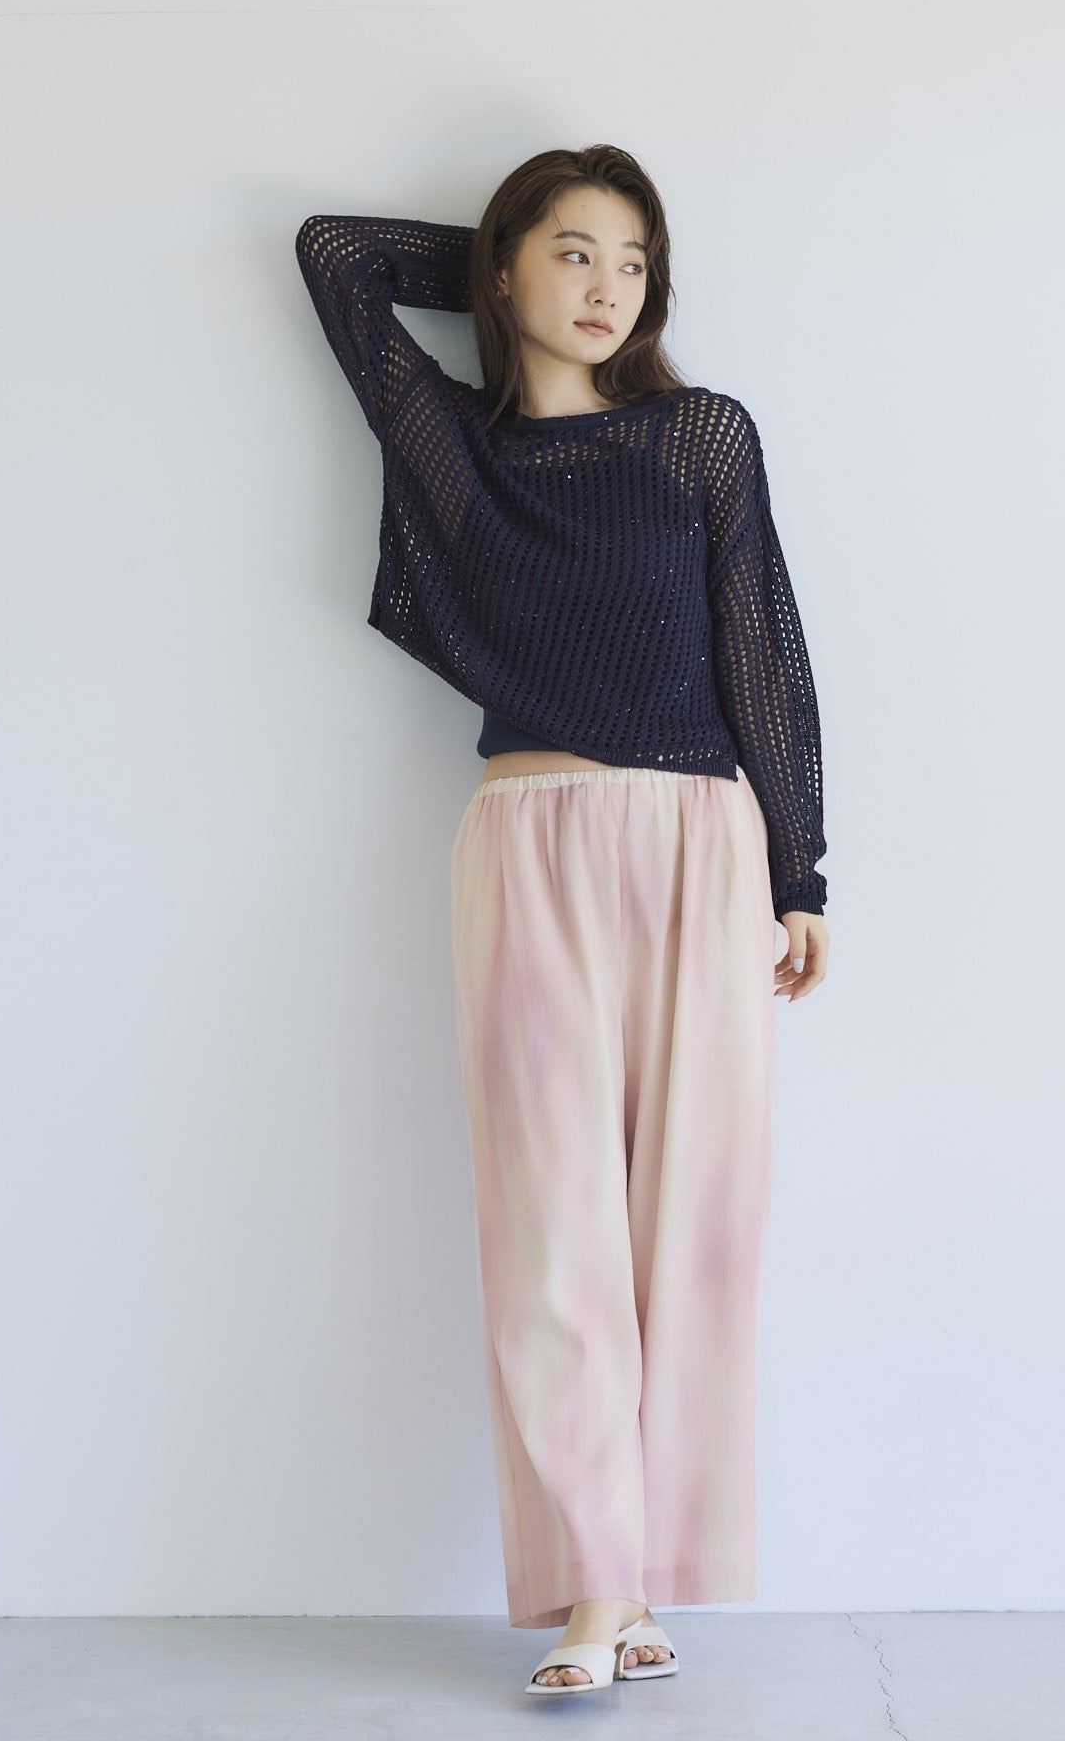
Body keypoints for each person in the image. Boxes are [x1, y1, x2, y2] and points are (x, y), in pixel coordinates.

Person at [294, 143, 830, 1695]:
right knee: (551, 1229)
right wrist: (490, 252)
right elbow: (335, 254)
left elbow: (761, 643)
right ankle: (600, 1591)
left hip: (700, 840)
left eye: (635, 263)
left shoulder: (697, 438)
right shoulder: (455, 449)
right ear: (509, 267)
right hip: (527, 842)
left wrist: (800, 872)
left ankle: (640, 1584)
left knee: (696, 1224)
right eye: (575, 253)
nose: (609, 288)